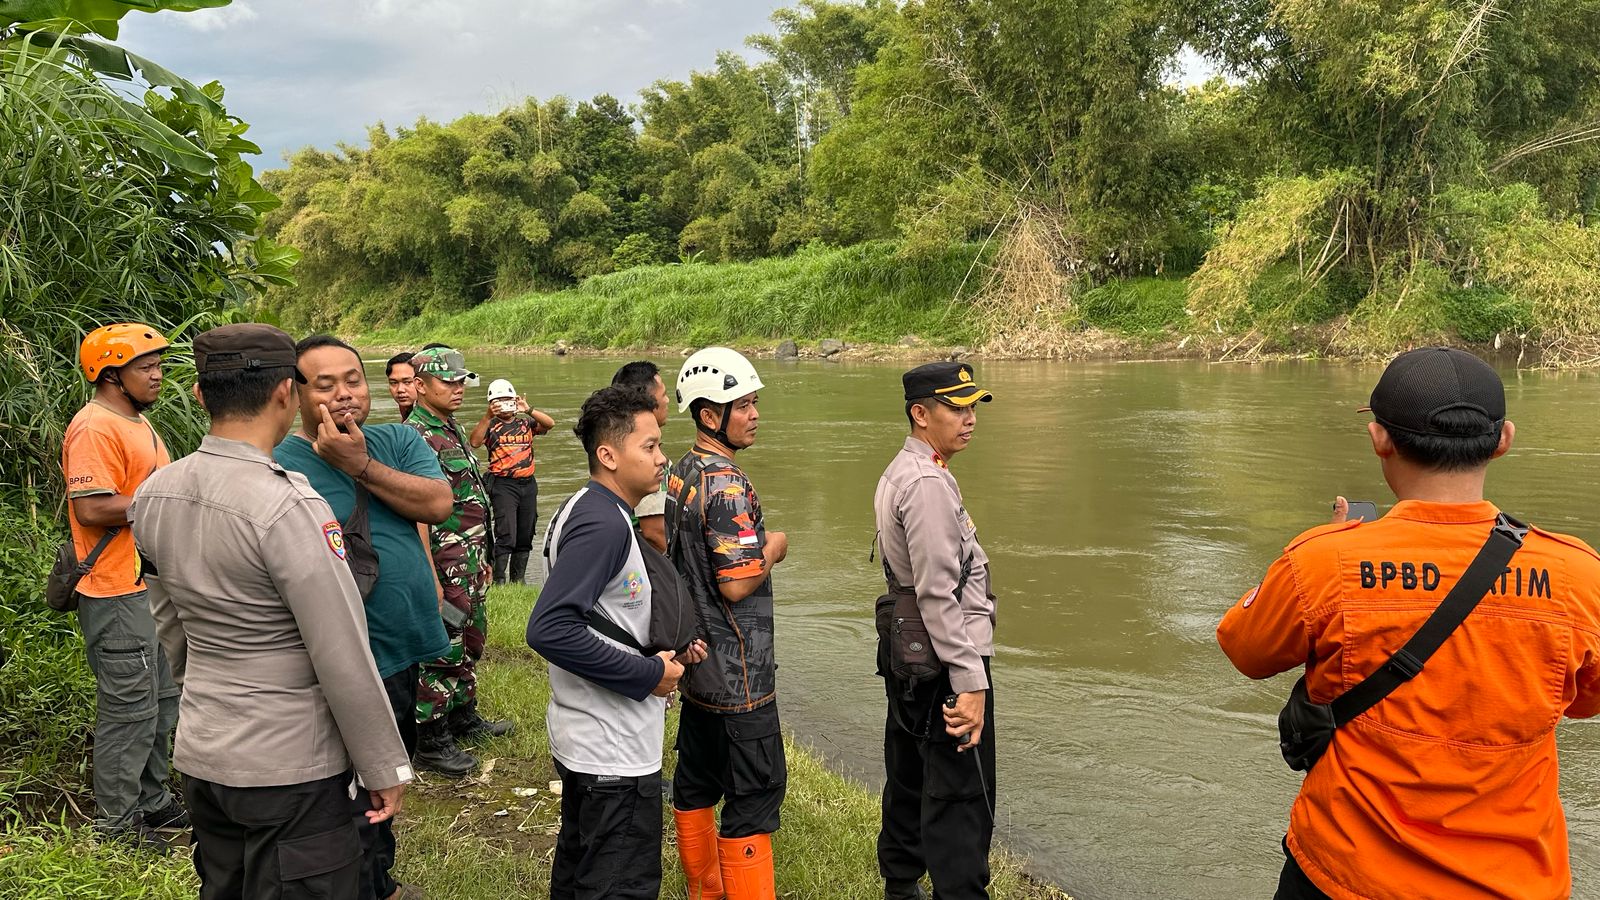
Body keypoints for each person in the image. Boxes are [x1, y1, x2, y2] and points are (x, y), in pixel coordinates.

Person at [1217, 347, 1600, 900]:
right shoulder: (1579, 576)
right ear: (1503, 440)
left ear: (1379, 438)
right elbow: (1583, 702)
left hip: (1345, 876)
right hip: (1515, 883)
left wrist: (1326, 544)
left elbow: (1244, 648)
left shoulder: (1323, 563)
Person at [131, 323, 411, 897]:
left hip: (206, 751)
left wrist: (210, 700)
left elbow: (170, 624)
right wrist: (384, 765)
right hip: (291, 768)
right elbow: (341, 651)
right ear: (287, 392)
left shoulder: (154, 494)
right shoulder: (288, 504)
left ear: (200, 395)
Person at [275, 335, 454, 900]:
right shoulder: (280, 461)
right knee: (339, 788)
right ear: (293, 392)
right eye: (324, 384)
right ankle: (357, 885)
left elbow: (436, 503)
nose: (344, 394)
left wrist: (361, 465)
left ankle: (379, 879)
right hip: (335, 655)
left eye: (353, 379)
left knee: (386, 780)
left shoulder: (397, 439)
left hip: (399, 647)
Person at [527, 384, 708, 900]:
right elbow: (551, 627)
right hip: (612, 750)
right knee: (617, 884)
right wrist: (650, 675)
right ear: (608, 455)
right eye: (648, 446)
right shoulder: (602, 523)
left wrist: (660, 652)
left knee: (582, 869)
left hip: (587, 736)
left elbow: (603, 616)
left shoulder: (587, 507)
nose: (661, 457)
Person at [665, 347, 790, 900]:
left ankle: (704, 891)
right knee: (754, 798)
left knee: (694, 786)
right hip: (741, 678)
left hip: (699, 671)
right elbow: (738, 581)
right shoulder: (727, 483)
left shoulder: (680, 471)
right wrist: (775, 546)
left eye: (756, 403)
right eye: (744, 405)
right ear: (709, 415)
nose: (755, 414)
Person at [873, 362, 997, 900]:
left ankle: (901, 884)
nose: (969, 418)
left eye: (973, 407)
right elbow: (938, 594)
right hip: (946, 657)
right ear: (921, 414)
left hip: (910, 652)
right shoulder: (927, 483)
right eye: (956, 408)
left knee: (908, 773)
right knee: (959, 795)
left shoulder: (908, 468)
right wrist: (970, 680)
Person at [63, 322, 185, 846]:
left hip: (146, 586)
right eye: (146, 367)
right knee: (129, 711)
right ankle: (116, 827)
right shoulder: (95, 427)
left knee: (161, 700)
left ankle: (153, 801)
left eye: (158, 365)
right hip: (114, 591)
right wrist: (169, 500)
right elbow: (90, 507)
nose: (158, 375)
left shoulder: (135, 420)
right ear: (111, 374)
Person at [406, 345, 510, 776]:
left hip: (468, 559)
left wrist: (482, 556)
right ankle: (430, 737)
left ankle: (463, 715)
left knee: (470, 638)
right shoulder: (414, 435)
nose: (456, 388)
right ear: (419, 386)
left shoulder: (449, 427)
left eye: (459, 381)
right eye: (446, 381)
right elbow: (416, 513)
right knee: (443, 644)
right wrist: (429, 573)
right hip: (444, 563)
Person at [469, 378, 554, 585]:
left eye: (508, 400)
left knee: (525, 532)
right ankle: (499, 580)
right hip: (503, 484)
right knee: (506, 532)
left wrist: (528, 409)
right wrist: (488, 416)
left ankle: (519, 580)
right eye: (498, 401)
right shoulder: (490, 425)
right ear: (491, 403)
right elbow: (474, 442)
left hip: (527, 483)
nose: (504, 404)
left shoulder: (526, 423)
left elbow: (550, 424)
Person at [611, 361, 672, 554]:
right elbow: (655, 533)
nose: (668, 401)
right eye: (664, 395)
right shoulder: (645, 457)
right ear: (648, 402)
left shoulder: (620, 441)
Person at [385, 353, 418, 421]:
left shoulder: (437, 410)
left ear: (421, 383)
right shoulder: (405, 406)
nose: (400, 389)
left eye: (407, 382)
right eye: (394, 383)